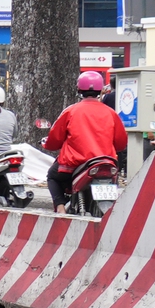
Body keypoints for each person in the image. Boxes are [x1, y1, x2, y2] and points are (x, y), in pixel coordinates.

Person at [42, 69, 126, 209]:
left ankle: (61, 209)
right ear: (101, 90)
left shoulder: (71, 111)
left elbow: (55, 139)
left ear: (79, 89)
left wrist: (47, 145)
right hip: (106, 163)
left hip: (74, 163)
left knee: (52, 176)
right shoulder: (111, 113)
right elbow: (121, 143)